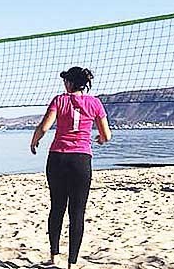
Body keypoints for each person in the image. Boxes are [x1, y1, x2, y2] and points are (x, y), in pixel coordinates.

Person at [30, 66, 112, 269]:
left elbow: (44, 127)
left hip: (57, 158)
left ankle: (53, 256)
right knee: (77, 212)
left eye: (65, 80)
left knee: (57, 207)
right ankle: (72, 263)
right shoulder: (95, 103)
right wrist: (100, 140)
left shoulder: (59, 100)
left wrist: (34, 141)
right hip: (81, 160)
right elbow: (106, 135)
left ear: (69, 83)